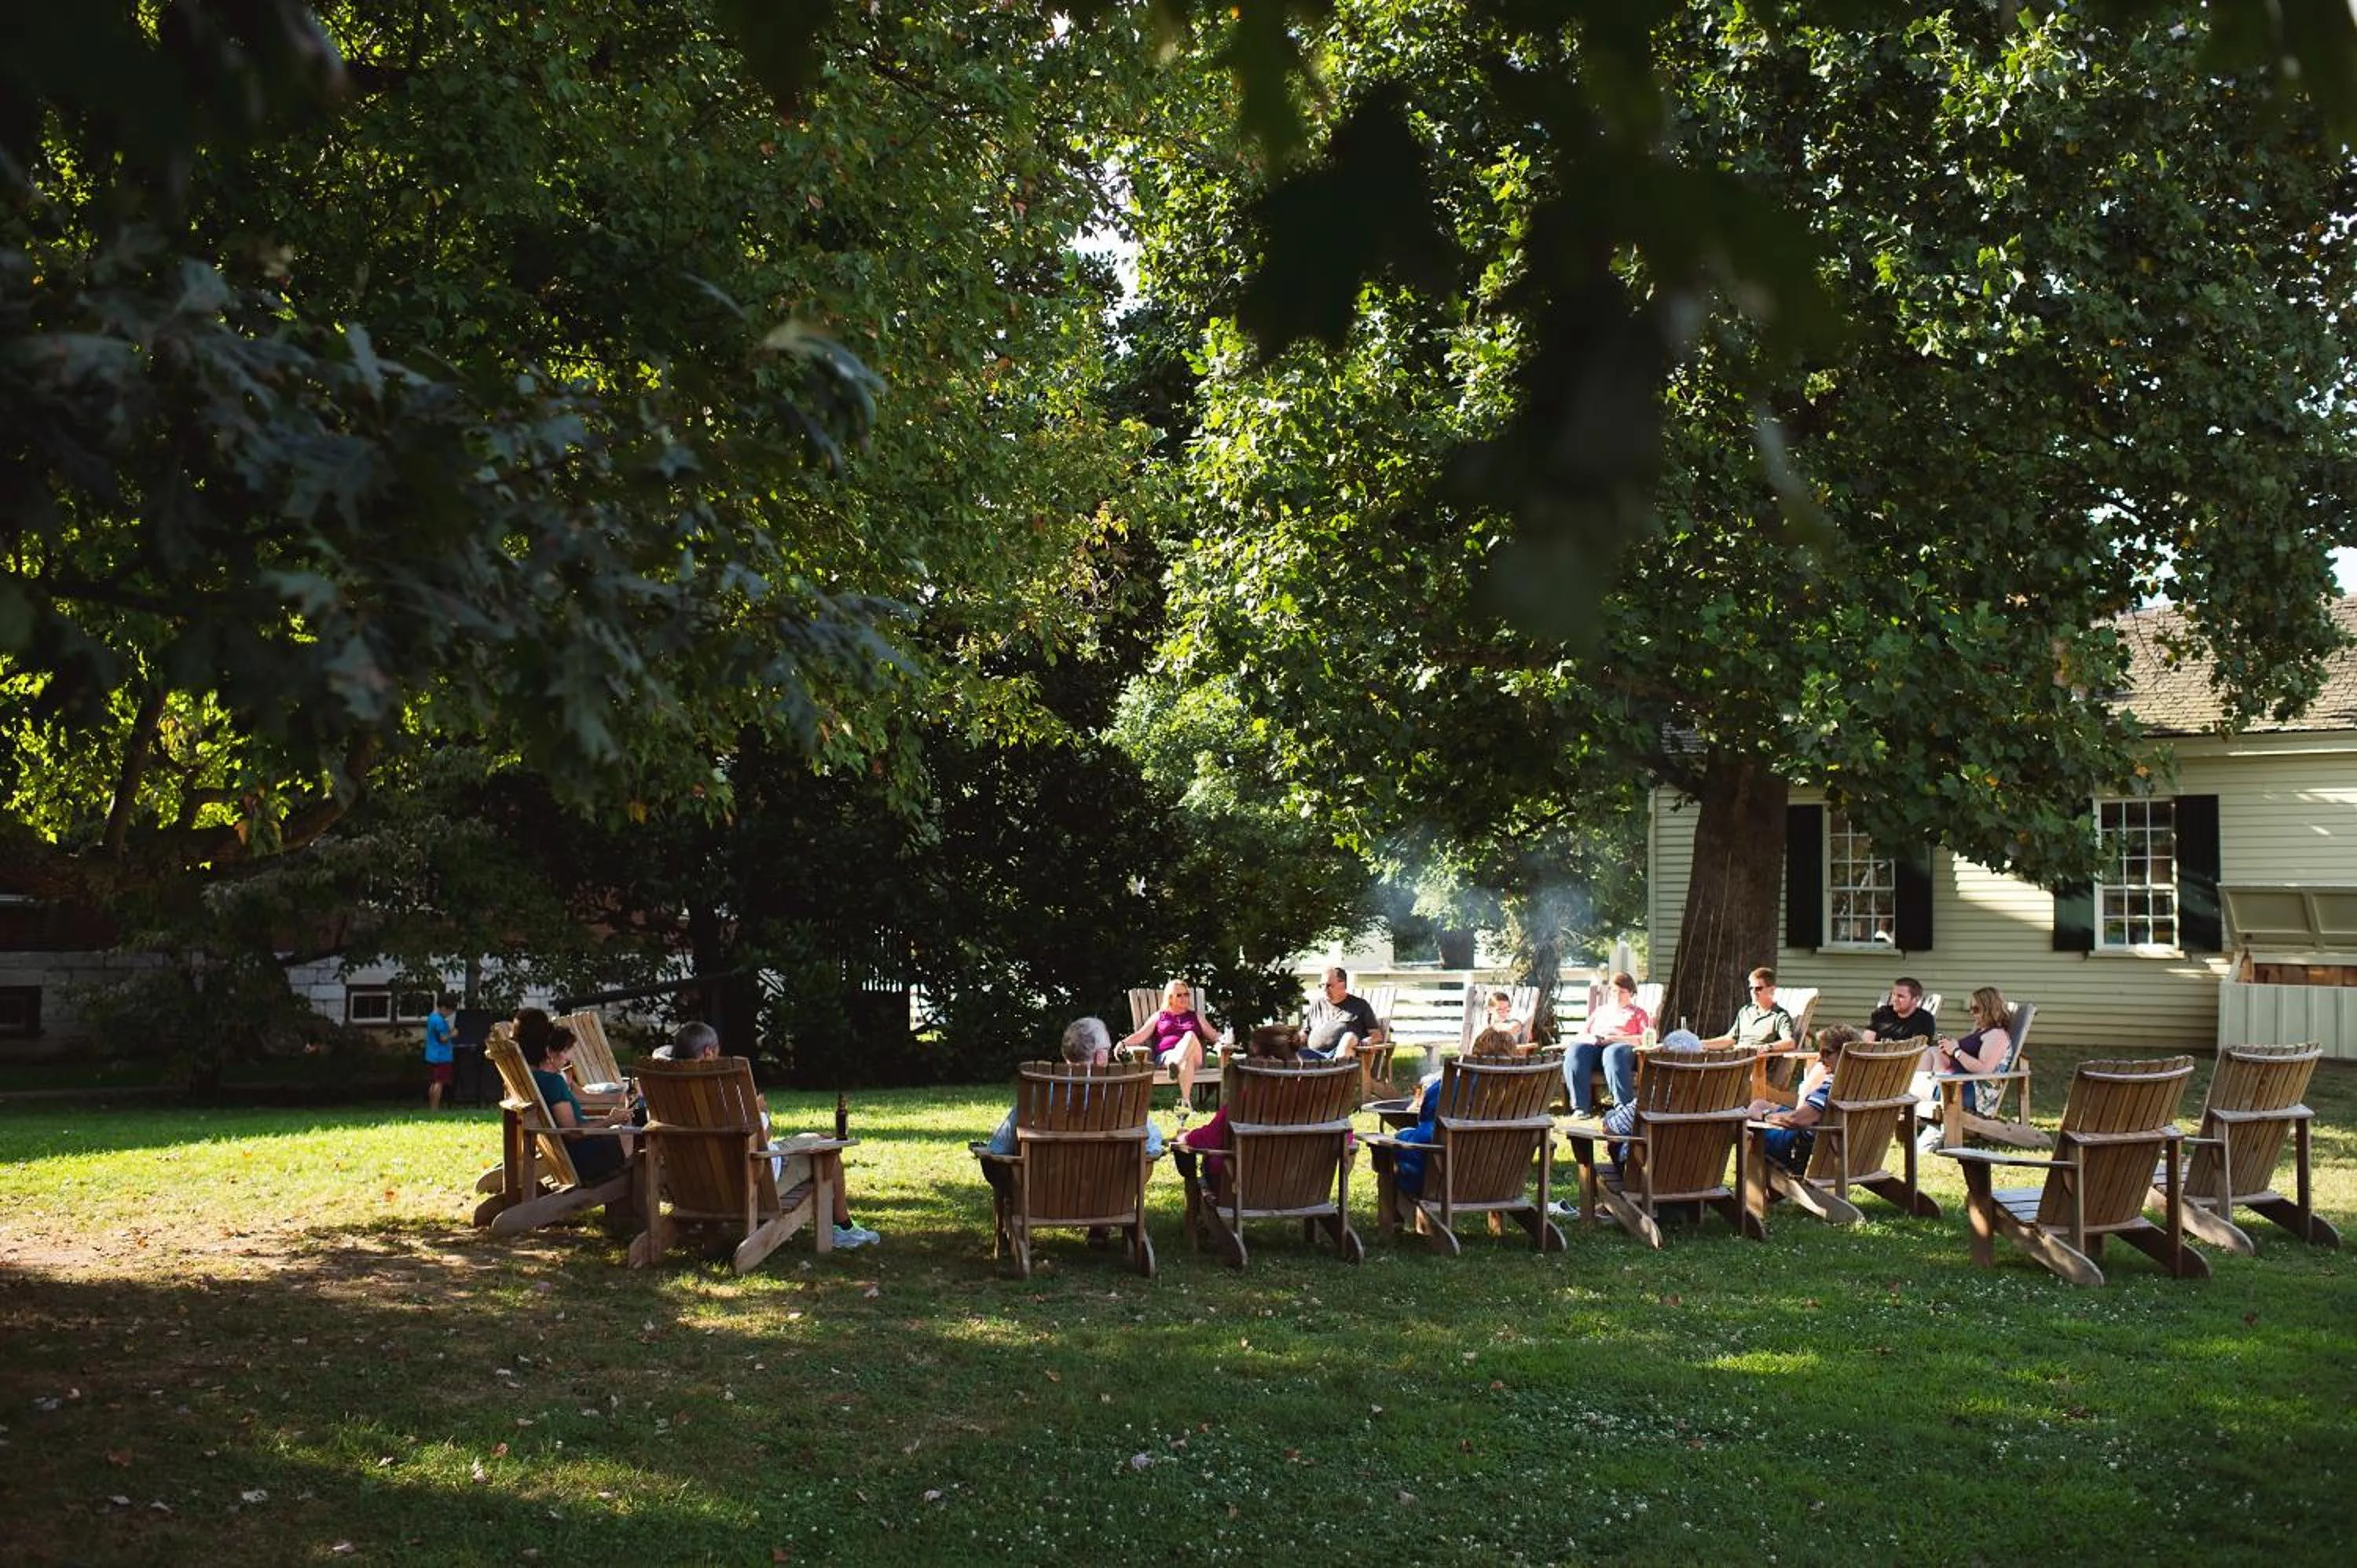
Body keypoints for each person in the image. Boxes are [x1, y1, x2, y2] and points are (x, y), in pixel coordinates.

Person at [659, 1020, 879, 1249]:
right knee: (829, 1151)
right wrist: (760, 1110)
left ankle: (842, 1225)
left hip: (696, 1186)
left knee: (819, 1137)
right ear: (708, 1052)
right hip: (753, 1179)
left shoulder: (666, 1095)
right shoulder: (727, 1092)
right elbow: (761, 1137)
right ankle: (843, 1228)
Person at [985, 1016, 1164, 1247]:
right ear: (1100, 1056)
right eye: (1108, 1051)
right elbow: (1152, 1145)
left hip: (1045, 1194)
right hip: (1105, 1194)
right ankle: (1100, 1223)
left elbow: (999, 1147)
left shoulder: (1040, 1093)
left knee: (994, 1162)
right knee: (1133, 1160)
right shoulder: (1123, 1096)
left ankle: (1013, 1225)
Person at [518, 1020, 635, 1184]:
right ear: (548, 1051)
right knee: (643, 1131)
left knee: (632, 1125)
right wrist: (610, 1120)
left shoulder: (538, 1078)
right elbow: (573, 1133)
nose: (570, 1057)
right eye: (565, 1051)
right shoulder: (553, 1083)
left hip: (566, 1155)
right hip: (583, 1158)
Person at [1913, 986, 2017, 1149]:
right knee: (1931, 1052)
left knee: (1911, 1082)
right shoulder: (1982, 1031)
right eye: (1971, 1009)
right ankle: (1913, 1096)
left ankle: (1909, 1096)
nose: (1972, 1013)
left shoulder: (1997, 1036)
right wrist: (1948, 1050)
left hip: (1971, 1093)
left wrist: (1955, 1051)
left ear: (1989, 1009)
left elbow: (1984, 1070)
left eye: (1976, 1009)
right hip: (1955, 1084)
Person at [1748, 1024, 1860, 1173]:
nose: (1820, 1058)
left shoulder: (1835, 1086)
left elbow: (1796, 1119)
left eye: (1826, 1052)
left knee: (1747, 1129)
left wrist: (1765, 1116)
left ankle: (1755, 1193)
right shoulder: (1863, 1082)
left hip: (1806, 1147)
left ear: (1845, 1053)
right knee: (1759, 1104)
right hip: (1854, 1150)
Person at [1119, 978, 1219, 1110]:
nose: (1184, 998)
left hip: (1194, 1057)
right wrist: (1122, 1043)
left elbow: (1214, 1035)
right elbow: (1140, 1035)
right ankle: (1186, 1103)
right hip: (1167, 1056)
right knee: (1185, 1060)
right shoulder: (1160, 1016)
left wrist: (1226, 1039)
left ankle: (1176, 1064)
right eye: (1179, 995)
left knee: (1189, 1036)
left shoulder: (1195, 1016)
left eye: (1186, 994)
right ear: (1170, 998)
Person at [1563, 972, 1651, 1116]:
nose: (1617, 995)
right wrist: (1593, 1039)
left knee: (1612, 1052)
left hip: (1623, 1052)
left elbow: (1644, 1038)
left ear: (1631, 993)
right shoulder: (1600, 1011)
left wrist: (1614, 1039)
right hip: (1597, 1049)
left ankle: (1624, 1109)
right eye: (1614, 991)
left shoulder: (1638, 1013)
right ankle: (1580, 1108)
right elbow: (1582, 1034)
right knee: (1575, 1051)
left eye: (1622, 992)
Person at [1702, 967, 1798, 1056]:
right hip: (1735, 1058)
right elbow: (1729, 1040)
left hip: (1757, 1063)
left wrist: (1765, 1048)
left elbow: (1789, 1042)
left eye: (1758, 988)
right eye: (1751, 988)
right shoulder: (1746, 1011)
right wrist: (1700, 1044)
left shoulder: (1779, 1016)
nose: (1753, 992)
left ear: (1771, 990)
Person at [1300, 967, 1384, 1064]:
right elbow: (1305, 1032)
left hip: (1341, 1055)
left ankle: (1336, 1073)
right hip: (1313, 1056)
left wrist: (1366, 1042)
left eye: (1329, 985)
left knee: (1349, 1037)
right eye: (1321, 985)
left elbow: (1376, 1036)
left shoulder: (1360, 1005)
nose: (1324, 989)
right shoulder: (1317, 1005)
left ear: (1343, 984)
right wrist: (1294, 1039)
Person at [1866, 977, 1937, 1046]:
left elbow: (1918, 1050)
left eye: (1900, 996)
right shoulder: (1881, 1013)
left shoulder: (1924, 1020)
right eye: (1893, 994)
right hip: (1876, 1055)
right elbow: (1867, 1043)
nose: (1894, 999)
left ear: (1915, 999)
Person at [422, 993, 457, 1112]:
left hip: (431, 1056)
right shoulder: (440, 1021)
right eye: (449, 1011)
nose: (449, 1014)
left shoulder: (432, 1017)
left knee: (433, 1082)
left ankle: (432, 1106)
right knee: (439, 1083)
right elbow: (443, 1038)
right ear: (443, 1008)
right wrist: (453, 1034)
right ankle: (435, 1108)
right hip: (441, 1057)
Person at [1468, 989, 1529, 1056]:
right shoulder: (1482, 1026)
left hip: (1507, 1060)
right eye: (1499, 1010)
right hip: (1484, 1060)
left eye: (1507, 1009)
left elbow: (1511, 1028)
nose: (1504, 1013)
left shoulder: (1513, 1024)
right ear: (1490, 1009)